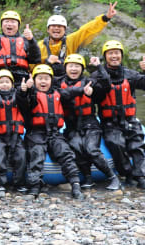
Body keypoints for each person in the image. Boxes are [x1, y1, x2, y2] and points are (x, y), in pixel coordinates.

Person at [90, 40, 145, 191]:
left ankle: (142, 179)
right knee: (116, 143)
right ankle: (128, 174)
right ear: (105, 56)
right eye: (110, 53)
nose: (114, 56)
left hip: (129, 119)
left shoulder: (130, 74)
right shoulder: (97, 75)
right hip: (109, 122)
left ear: (121, 55)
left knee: (137, 145)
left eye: (117, 53)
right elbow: (93, 97)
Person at [19, 64, 88, 199]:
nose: (43, 81)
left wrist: (83, 89)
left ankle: (75, 185)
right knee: (36, 155)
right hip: (36, 133)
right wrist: (24, 90)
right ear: (34, 80)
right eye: (40, 78)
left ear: (51, 80)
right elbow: (22, 101)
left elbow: (71, 91)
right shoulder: (31, 95)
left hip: (55, 133)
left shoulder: (58, 93)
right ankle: (34, 187)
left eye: (46, 78)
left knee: (65, 153)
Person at [56, 54, 120, 191]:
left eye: (77, 66)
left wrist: (98, 66)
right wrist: (81, 91)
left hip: (90, 123)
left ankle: (113, 177)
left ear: (82, 69)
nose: (74, 69)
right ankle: (88, 177)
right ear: (65, 68)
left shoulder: (89, 82)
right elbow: (62, 94)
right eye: (71, 66)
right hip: (71, 125)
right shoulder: (58, 83)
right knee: (77, 147)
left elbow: (106, 84)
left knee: (91, 149)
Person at [38, 2, 118, 76]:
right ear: (48, 30)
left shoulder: (71, 40)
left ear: (65, 30)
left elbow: (87, 30)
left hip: (66, 79)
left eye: (59, 26)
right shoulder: (40, 46)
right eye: (53, 26)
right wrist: (48, 63)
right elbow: (33, 68)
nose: (56, 28)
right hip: (45, 80)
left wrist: (105, 18)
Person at [0, 69, 27, 193]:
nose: (4, 84)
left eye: (7, 82)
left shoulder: (17, 95)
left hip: (14, 134)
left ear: (12, 84)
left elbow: (25, 102)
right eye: (1, 82)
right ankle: (0, 184)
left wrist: (24, 92)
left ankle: (18, 183)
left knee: (21, 155)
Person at [0, 0, 41, 85]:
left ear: (18, 26)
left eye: (13, 22)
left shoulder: (26, 40)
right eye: (6, 21)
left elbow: (36, 58)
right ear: (2, 25)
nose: (9, 24)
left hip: (21, 78)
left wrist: (31, 40)